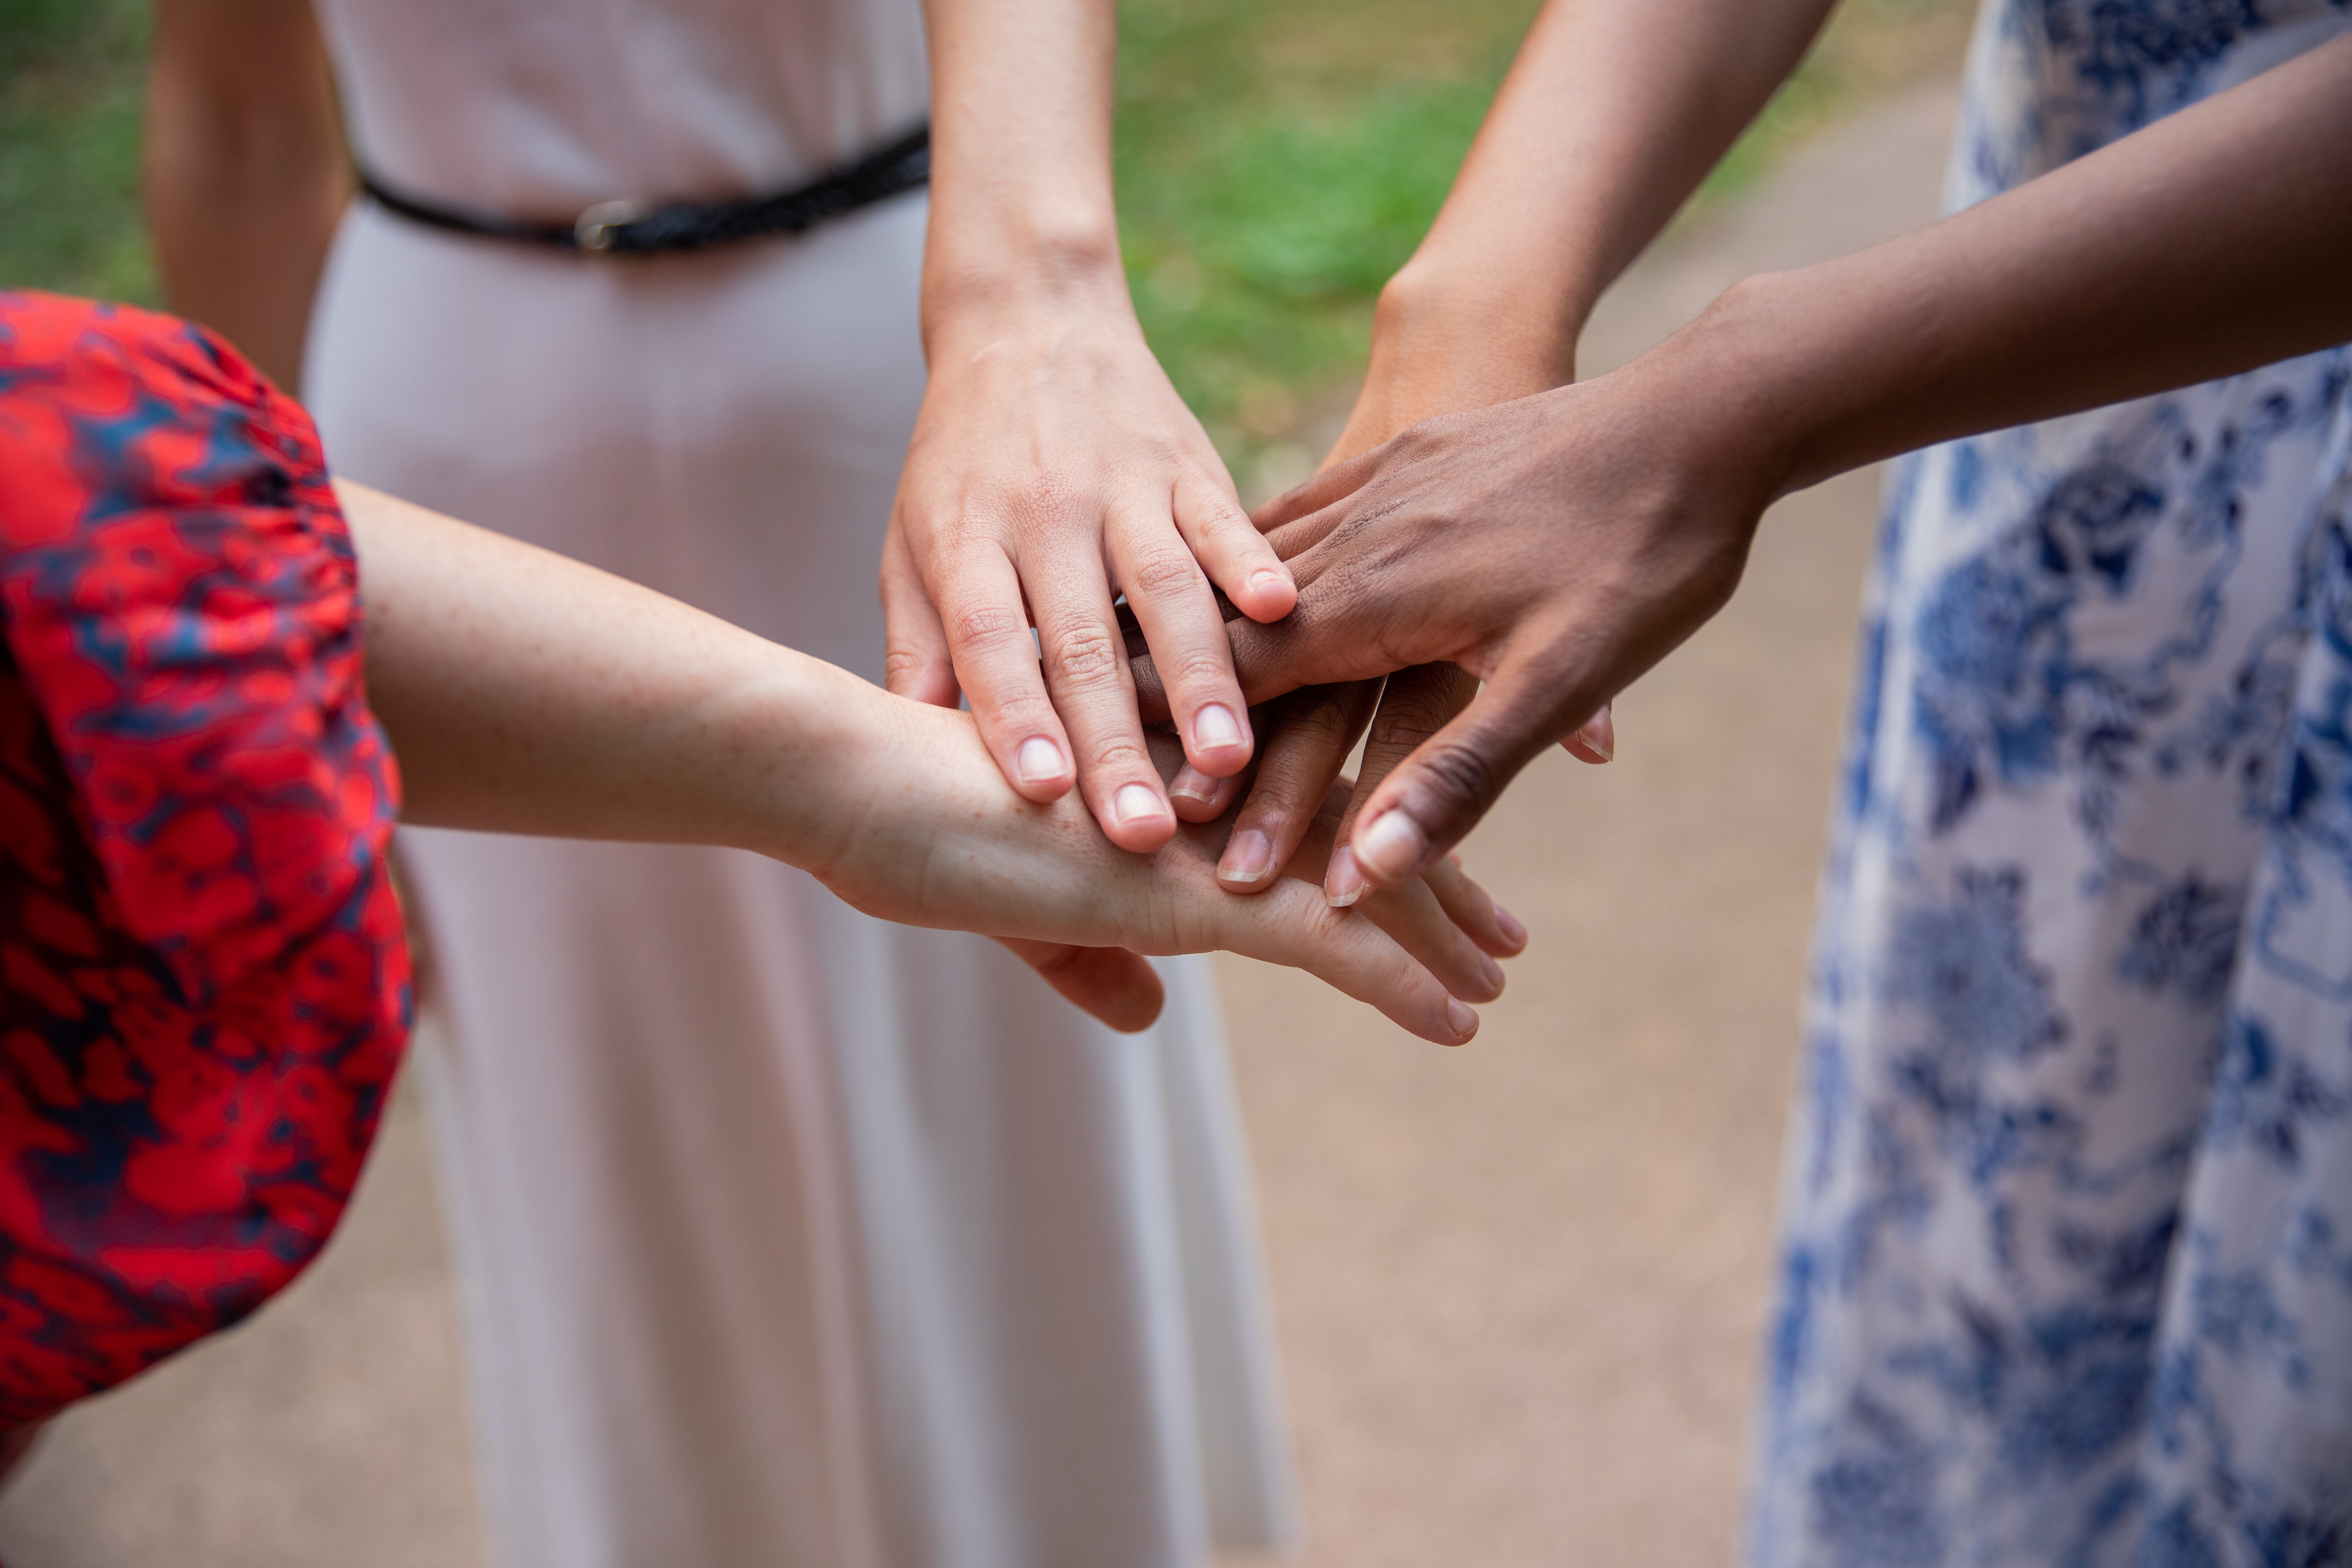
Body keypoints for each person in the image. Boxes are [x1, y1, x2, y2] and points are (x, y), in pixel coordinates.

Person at [143, 2, 1531, 1562]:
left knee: (1032, 1038)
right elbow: (243, 129)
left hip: (916, 382)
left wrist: (1042, 287)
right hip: (455, 464)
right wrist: (274, 661)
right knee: (621, 1158)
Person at [1154, 4, 2352, 1560]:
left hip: (2056, 319)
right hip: (2070, 437)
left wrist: (1742, 400)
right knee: (2011, 1262)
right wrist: (1474, 302)